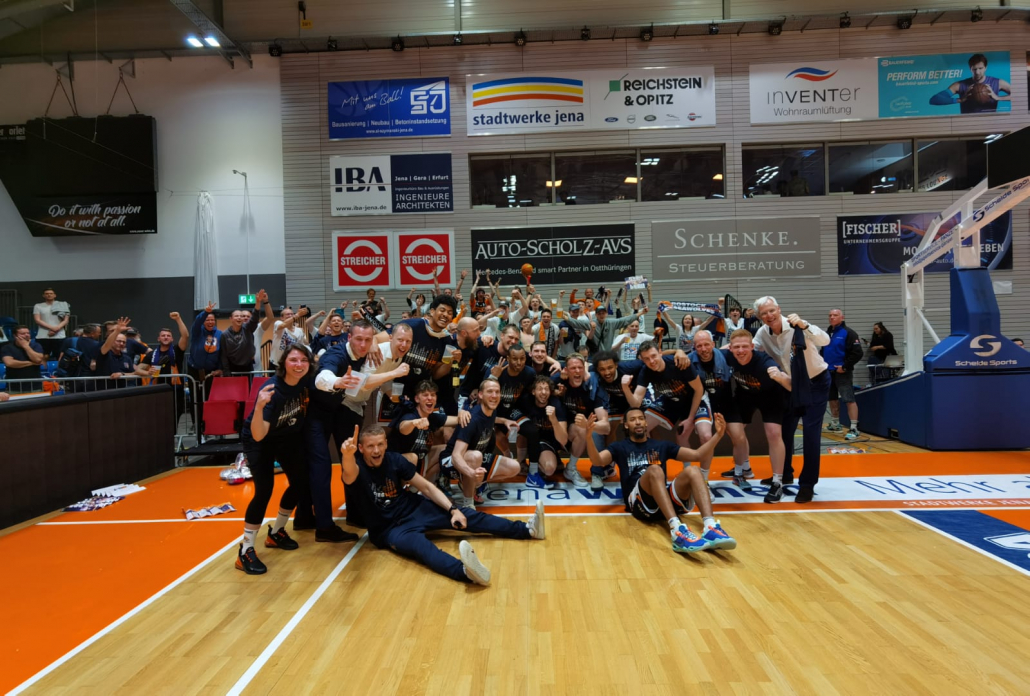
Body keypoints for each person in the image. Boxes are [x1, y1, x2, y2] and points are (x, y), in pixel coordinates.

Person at [341, 424, 544, 586]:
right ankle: (466, 572)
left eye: (380, 444)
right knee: (423, 549)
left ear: (386, 444)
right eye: (370, 446)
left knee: (469, 516)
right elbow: (349, 473)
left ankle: (527, 530)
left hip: (414, 509)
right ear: (361, 448)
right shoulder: (356, 467)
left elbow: (427, 487)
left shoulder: (395, 460)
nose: (376, 450)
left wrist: (453, 510)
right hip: (389, 529)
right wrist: (347, 455)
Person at [584, 409, 736, 553]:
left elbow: (697, 455)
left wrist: (718, 435)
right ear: (626, 425)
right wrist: (589, 437)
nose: (638, 422)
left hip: (663, 501)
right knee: (655, 470)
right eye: (633, 419)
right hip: (639, 504)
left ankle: (710, 527)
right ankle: (676, 530)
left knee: (693, 470)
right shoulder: (619, 447)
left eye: (641, 418)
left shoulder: (661, 445)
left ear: (646, 423)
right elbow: (597, 461)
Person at [309, 320, 409, 535]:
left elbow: (377, 368)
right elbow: (325, 378)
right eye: (359, 339)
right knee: (321, 466)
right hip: (319, 412)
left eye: (367, 340)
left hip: (346, 408)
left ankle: (351, 514)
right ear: (349, 338)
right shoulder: (337, 355)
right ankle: (322, 525)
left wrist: (391, 390)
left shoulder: (374, 350)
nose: (363, 344)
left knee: (352, 461)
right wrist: (337, 382)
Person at [235, 344, 320, 575]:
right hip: (259, 438)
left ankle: (276, 532)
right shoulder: (272, 390)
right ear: (283, 363)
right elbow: (258, 434)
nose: (299, 365)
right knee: (264, 491)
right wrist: (259, 406)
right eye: (293, 360)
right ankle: (246, 550)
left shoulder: (305, 381)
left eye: (303, 360)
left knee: (301, 483)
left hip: (286, 436)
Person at [752, 296, 830, 504]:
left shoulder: (796, 325)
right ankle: (785, 473)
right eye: (764, 313)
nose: (769, 315)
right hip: (789, 385)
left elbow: (825, 340)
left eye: (771, 310)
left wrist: (805, 325)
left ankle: (807, 485)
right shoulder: (762, 333)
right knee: (785, 431)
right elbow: (748, 348)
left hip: (815, 382)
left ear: (779, 309)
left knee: (810, 434)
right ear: (759, 317)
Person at [723, 330, 792, 502]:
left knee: (773, 434)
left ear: (752, 346)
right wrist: (679, 352)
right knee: (734, 430)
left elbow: (790, 386)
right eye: (736, 347)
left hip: (771, 396)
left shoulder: (764, 362)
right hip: (745, 394)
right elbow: (709, 351)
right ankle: (745, 468)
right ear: (730, 348)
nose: (741, 351)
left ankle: (777, 482)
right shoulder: (727, 355)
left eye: (745, 346)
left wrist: (781, 377)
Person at [440, 378, 523, 509]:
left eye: (497, 392)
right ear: (480, 394)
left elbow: (491, 418)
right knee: (476, 456)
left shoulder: (491, 410)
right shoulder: (471, 420)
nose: (494, 396)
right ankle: (468, 504)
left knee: (515, 467)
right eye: (489, 391)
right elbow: (456, 456)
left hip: (474, 460)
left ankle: (471, 483)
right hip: (450, 461)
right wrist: (472, 474)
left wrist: (504, 421)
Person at [684, 330, 750, 486]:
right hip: (703, 403)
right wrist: (679, 352)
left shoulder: (726, 356)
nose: (704, 349)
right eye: (699, 346)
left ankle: (739, 473)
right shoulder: (688, 361)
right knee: (706, 437)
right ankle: (703, 479)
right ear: (694, 347)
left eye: (707, 344)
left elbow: (747, 352)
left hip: (725, 402)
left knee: (739, 436)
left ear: (713, 344)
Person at [624, 341, 703, 446]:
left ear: (660, 353)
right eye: (646, 359)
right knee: (641, 427)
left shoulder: (679, 363)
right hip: (669, 400)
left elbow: (699, 390)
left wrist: (690, 418)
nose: (651, 361)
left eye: (653, 356)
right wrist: (625, 387)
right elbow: (636, 404)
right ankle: (652, 456)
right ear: (642, 359)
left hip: (691, 400)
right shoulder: (645, 371)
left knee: (683, 436)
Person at [389, 380, 471, 480]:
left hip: (419, 460)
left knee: (446, 450)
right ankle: (407, 488)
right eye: (425, 395)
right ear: (417, 399)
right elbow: (403, 428)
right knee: (412, 457)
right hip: (396, 462)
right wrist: (414, 423)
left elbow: (457, 420)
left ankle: (420, 484)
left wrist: (463, 413)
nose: (430, 398)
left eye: (433, 395)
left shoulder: (432, 418)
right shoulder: (410, 415)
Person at [554, 354, 610, 488]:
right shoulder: (558, 381)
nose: (577, 371)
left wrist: (589, 424)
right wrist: (555, 392)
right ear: (566, 370)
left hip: (579, 429)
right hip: (556, 428)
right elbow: (540, 390)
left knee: (588, 430)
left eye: (580, 367)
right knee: (548, 468)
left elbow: (606, 427)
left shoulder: (593, 387)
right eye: (573, 368)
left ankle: (578, 470)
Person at [136, 312, 191, 424]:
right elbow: (138, 369)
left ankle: (173, 434)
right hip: (158, 390)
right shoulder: (151, 354)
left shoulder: (177, 351)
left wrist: (178, 319)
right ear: (158, 338)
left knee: (175, 417)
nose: (166, 337)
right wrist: (147, 372)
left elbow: (185, 336)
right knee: (159, 418)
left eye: (168, 335)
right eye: (163, 335)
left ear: (172, 339)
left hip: (175, 390)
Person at [517, 375, 569, 489]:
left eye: (546, 389)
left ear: (551, 392)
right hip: (532, 440)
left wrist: (554, 420)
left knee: (549, 469)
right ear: (533, 391)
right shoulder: (526, 401)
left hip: (549, 442)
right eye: (540, 389)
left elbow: (564, 440)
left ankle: (549, 460)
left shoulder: (556, 404)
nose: (544, 392)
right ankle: (522, 464)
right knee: (521, 430)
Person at [823, 309, 863, 440]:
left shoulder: (849, 333)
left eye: (835, 315)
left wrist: (845, 367)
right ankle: (835, 423)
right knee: (832, 398)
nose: (832, 317)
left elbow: (857, 353)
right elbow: (822, 351)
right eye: (830, 315)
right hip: (828, 371)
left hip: (842, 372)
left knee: (848, 398)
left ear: (842, 317)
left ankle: (854, 428)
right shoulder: (827, 333)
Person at [929, 53, 1012, 114]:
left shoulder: (997, 83)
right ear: (970, 68)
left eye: (980, 68)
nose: (977, 72)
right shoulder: (960, 85)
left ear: (985, 68)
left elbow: (1018, 95)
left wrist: (998, 98)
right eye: (974, 69)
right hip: (968, 124)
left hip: (990, 124)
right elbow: (934, 100)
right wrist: (959, 100)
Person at [220, 292, 266, 375]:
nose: (239, 318)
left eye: (241, 316)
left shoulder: (248, 328)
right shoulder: (225, 334)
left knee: (248, 384)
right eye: (236, 316)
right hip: (232, 367)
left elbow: (254, 318)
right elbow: (224, 355)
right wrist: (226, 372)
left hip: (248, 366)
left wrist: (258, 302)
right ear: (231, 319)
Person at [1, 325, 44, 393]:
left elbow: (38, 360)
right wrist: (32, 363)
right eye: (23, 334)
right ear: (15, 336)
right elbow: (9, 363)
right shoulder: (7, 347)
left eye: (28, 333)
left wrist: (26, 347)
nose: (26, 335)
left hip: (35, 386)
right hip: (14, 388)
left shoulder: (36, 345)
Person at [97, 317, 136, 388]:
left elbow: (133, 374)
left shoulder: (127, 358)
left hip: (121, 391)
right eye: (118, 341)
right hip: (104, 390)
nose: (121, 343)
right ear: (112, 342)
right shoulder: (105, 353)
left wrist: (122, 374)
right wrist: (117, 331)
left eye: (124, 342)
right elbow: (107, 344)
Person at [32, 288, 70, 359]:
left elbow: (66, 320)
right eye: (46, 294)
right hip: (43, 336)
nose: (49, 295)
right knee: (43, 357)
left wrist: (56, 329)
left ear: (55, 295)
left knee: (60, 357)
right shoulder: (38, 306)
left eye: (51, 293)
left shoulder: (63, 305)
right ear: (43, 295)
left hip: (59, 335)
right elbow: (37, 320)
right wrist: (52, 328)